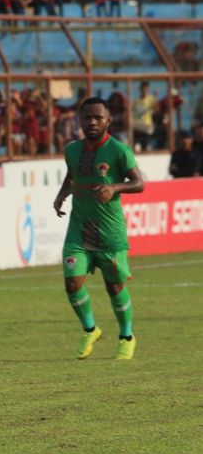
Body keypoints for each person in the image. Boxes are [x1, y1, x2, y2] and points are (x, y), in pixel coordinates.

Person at [53, 97, 145, 360]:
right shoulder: (72, 150)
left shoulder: (118, 150)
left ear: (108, 120)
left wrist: (115, 187)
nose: (92, 122)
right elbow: (72, 176)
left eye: (97, 117)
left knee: (114, 287)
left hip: (110, 232)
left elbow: (139, 183)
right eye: (87, 117)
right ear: (80, 120)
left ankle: (127, 336)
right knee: (72, 282)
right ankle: (90, 329)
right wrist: (62, 195)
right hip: (79, 229)